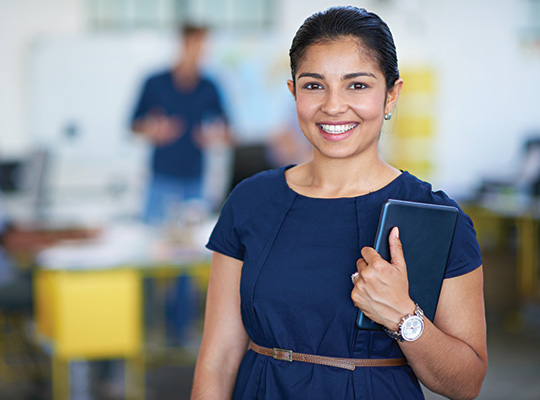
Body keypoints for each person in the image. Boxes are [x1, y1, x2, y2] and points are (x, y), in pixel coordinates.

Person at [192, 6, 487, 400]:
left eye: (357, 85)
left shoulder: (435, 217)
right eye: (314, 85)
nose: (333, 106)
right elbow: (218, 359)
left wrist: (403, 316)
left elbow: (466, 383)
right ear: (293, 91)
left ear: (391, 95)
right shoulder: (251, 200)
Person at [131, 23, 230, 224]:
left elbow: (229, 130)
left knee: (192, 238)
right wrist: (153, 131)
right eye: (199, 44)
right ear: (185, 43)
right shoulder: (154, 82)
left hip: (195, 178)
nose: (203, 51)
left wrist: (213, 136)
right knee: (152, 234)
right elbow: (134, 124)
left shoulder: (209, 86)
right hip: (160, 177)